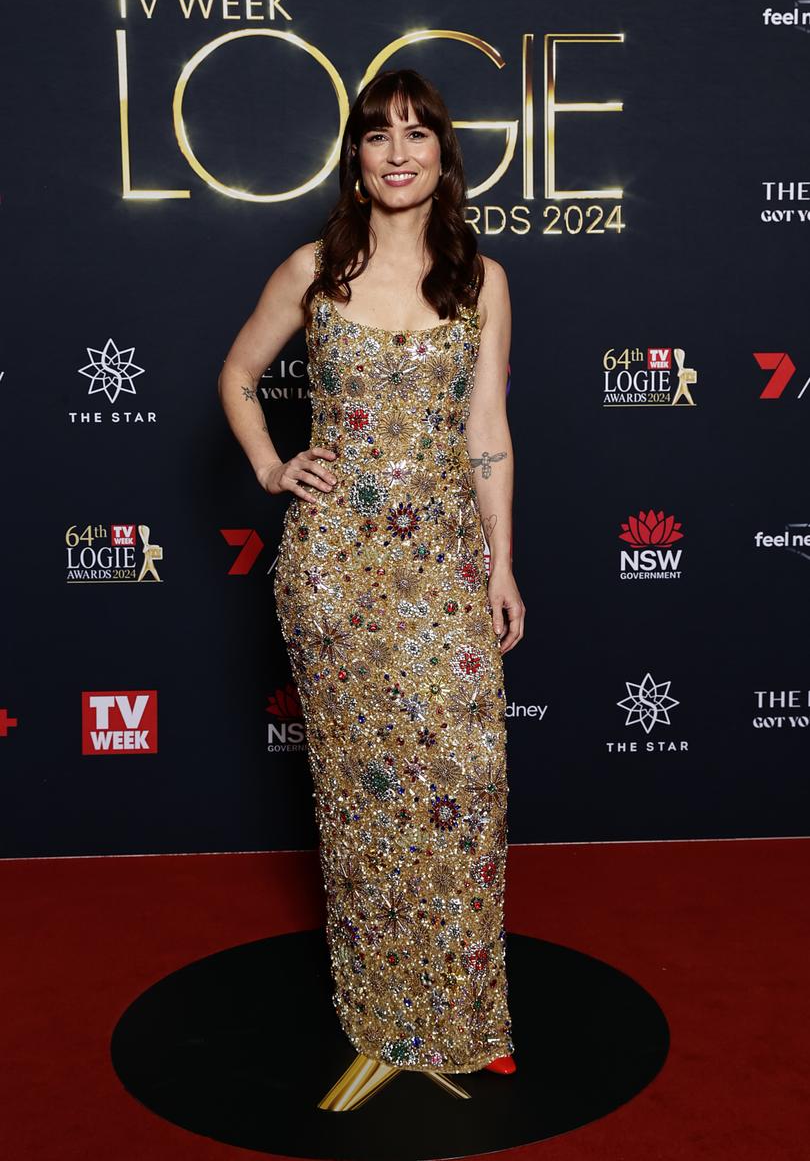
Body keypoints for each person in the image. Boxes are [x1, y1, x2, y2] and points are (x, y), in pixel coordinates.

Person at [218, 68, 526, 1109]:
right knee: (363, 802)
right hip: (335, 574)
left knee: (465, 786)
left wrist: (502, 561)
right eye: (377, 135)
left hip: (443, 565)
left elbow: (487, 434)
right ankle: (384, 1022)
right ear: (356, 157)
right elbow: (236, 375)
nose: (398, 153)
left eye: (418, 134)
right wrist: (270, 466)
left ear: (445, 154)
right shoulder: (314, 267)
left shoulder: (482, 280)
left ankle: (458, 1013)